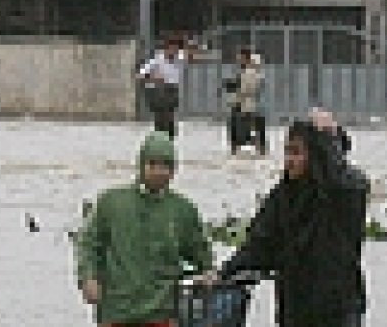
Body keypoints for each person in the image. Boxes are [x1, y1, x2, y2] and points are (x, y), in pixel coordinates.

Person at [205, 111, 369, 327]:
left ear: (317, 154)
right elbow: (259, 245)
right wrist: (224, 273)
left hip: (339, 309)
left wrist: (331, 137)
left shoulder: (342, 195)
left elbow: (350, 183)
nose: (289, 160)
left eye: (297, 153)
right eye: (287, 152)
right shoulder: (283, 197)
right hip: (295, 308)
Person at [76, 131, 213, 327]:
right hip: (116, 311)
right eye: (153, 164)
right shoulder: (111, 202)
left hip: (162, 312)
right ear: (141, 165)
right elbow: (89, 245)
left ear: (174, 170)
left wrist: (209, 272)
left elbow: (201, 253)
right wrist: (88, 278)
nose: (159, 171)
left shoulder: (183, 210)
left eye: (166, 166)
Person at [138, 38, 185, 138]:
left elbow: (193, 54)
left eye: (176, 49)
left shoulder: (179, 59)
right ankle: (160, 137)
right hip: (160, 90)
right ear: (166, 49)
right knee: (160, 116)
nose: (174, 52)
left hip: (172, 90)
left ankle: (170, 138)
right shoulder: (157, 60)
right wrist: (154, 77)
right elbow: (141, 74)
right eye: (173, 49)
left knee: (170, 116)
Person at [227, 48, 267, 155]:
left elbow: (247, 88)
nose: (239, 59)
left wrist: (235, 89)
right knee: (247, 124)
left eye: (241, 57)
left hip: (247, 103)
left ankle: (249, 144)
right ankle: (240, 145)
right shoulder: (246, 70)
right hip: (243, 102)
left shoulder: (251, 71)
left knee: (248, 124)